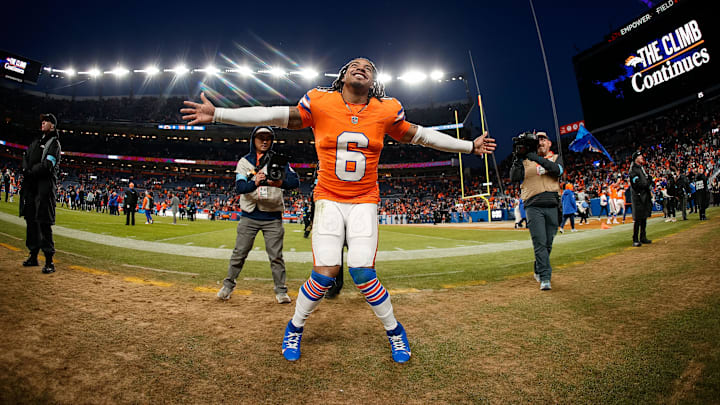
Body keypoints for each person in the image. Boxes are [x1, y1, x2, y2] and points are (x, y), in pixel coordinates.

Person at [182, 57, 496, 363]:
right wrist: (219, 113)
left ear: (374, 82)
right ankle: (295, 327)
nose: (362, 67)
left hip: (363, 201)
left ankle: (394, 331)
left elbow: (424, 136)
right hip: (329, 198)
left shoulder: (386, 109)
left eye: (369, 68)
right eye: (355, 65)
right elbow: (272, 114)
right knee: (325, 273)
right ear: (342, 75)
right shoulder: (320, 101)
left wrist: (469, 146)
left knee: (362, 272)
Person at [216, 126, 299, 304]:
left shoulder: (279, 161)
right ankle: (228, 285)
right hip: (249, 216)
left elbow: (295, 181)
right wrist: (255, 182)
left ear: (272, 140)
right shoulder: (245, 162)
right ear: (253, 139)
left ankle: (281, 290)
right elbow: (240, 188)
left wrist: (279, 182)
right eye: (260, 137)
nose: (264, 141)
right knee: (239, 253)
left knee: (276, 256)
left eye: (268, 138)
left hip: (272, 216)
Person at [510, 131, 562, 291]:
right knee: (539, 242)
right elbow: (514, 177)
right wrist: (518, 157)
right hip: (533, 205)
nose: (540, 141)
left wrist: (535, 157)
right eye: (538, 139)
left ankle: (538, 267)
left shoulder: (555, 157)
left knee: (548, 244)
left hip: (552, 205)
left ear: (549, 143)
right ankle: (545, 277)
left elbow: (557, 171)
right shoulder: (525, 161)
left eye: (543, 139)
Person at [19, 113, 61, 274]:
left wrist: (30, 171)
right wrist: (25, 169)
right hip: (31, 188)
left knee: (44, 223)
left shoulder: (54, 144)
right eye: (42, 121)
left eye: (47, 121)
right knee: (31, 222)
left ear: (53, 126)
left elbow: (48, 165)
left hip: (44, 189)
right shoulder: (36, 142)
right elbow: (25, 156)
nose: (43, 123)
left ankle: (49, 261)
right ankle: (33, 255)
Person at [629, 151, 652, 247]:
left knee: (644, 217)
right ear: (636, 159)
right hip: (638, 196)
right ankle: (635, 238)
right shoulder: (633, 170)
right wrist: (647, 183)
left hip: (644, 195)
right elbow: (636, 184)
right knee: (638, 218)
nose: (642, 157)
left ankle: (643, 237)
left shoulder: (641, 168)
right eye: (640, 156)